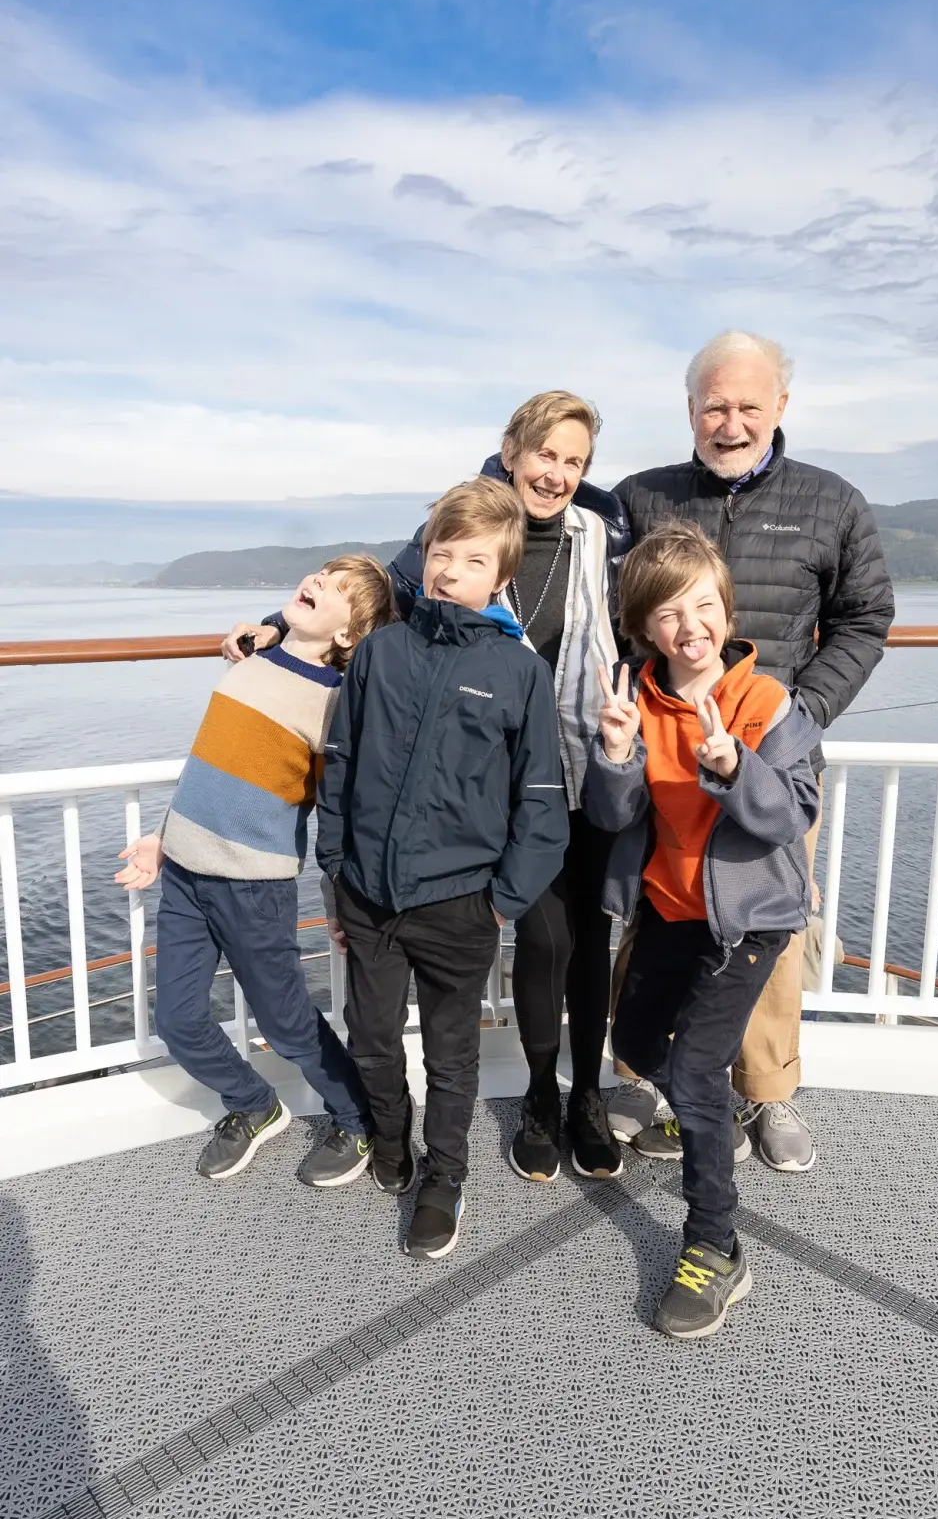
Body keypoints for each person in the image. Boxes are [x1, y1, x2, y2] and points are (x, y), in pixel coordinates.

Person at [223, 392, 633, 1183]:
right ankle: (537, 1100)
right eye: (544, 452)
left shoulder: (605, 534)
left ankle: (582, 1098)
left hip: (587, 758)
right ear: (511, 449)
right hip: (485, 791)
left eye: (573, 460)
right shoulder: (452, 535)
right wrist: (282, 631)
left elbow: (650, 610)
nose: (556, 472)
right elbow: (375, 593)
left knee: (582, 943)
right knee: (537, 948)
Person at [606, 331, 894, 1173]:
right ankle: (641, 1078)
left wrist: (797, 716)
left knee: (764, 927)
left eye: (747, 406)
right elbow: (535, 515)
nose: (729, 423)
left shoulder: (831, 501)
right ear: (689, 410)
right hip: (661, 759)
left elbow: (864, 619)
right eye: (713, 406)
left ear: (780, 409)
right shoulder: (642, 497)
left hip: (765, 763)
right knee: (656, 920)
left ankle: (765, 1092)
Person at [317, 477, 568, 1261]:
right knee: (370, 1038)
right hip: (369, 896)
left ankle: (444, 1176)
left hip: (461, 904)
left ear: (501, 578)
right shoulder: (382, 650)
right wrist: (335, 866)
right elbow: (340, 762)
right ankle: (389, 1140)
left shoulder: (518, 672)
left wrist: (501, 903)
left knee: (451, 1056)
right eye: (439, 550)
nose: (449, 568)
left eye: (471, 558)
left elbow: (542, 803)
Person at [583, 523, 820, 1338]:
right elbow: (616, 815)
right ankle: (702, 1109)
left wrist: (732, 767)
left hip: (748, 922)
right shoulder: (637, 700)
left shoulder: (767, 702)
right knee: (639, 1044)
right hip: (669, 909)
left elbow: (790, 813)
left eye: (704, 606)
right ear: (645, 628)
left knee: (691, 1074)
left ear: (728, 608)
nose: (690, 627)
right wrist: (614, 753)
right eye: (669, 614)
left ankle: (716, 1247)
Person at [114, 556, 397, 1185]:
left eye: (337, 589)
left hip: (253, 886)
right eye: (320, 573)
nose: (318, 582)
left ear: (349, 635)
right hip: (185, 876)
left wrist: (345, 899)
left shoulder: (333, 705)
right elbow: (207, 766)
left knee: (287, 1022)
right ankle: (252, 1105)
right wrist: (162, 840)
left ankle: (357, 1121)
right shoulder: (251, 661)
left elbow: (340, 812)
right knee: (178, 1020)